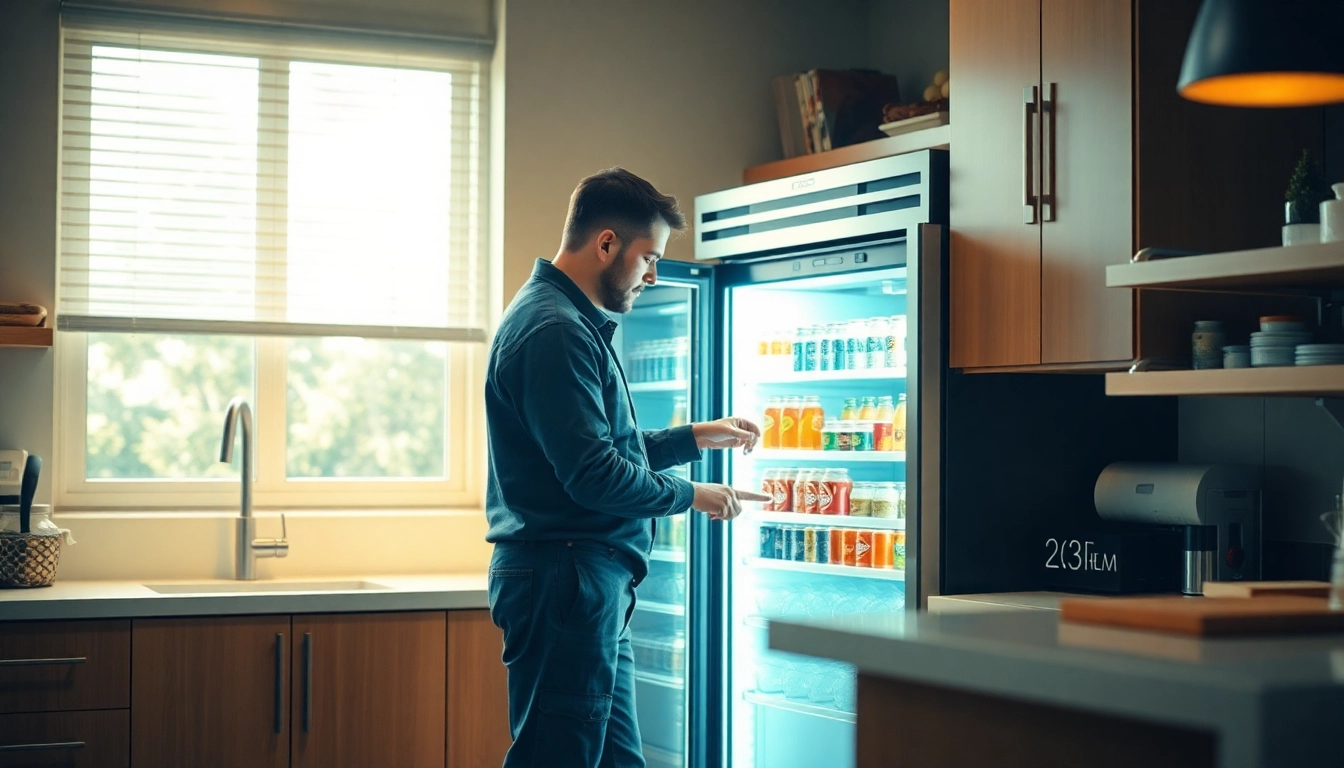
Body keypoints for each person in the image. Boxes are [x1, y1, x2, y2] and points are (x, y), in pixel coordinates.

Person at [485, 167, 767, 768]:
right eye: (648, 258)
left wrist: (693, 437)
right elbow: (594, 476)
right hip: (568, 582)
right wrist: (692, 494)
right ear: (606, 243)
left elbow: (600, 449)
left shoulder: (566, 320)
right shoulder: (554, 330)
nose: (654, 275)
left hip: (585, 585)